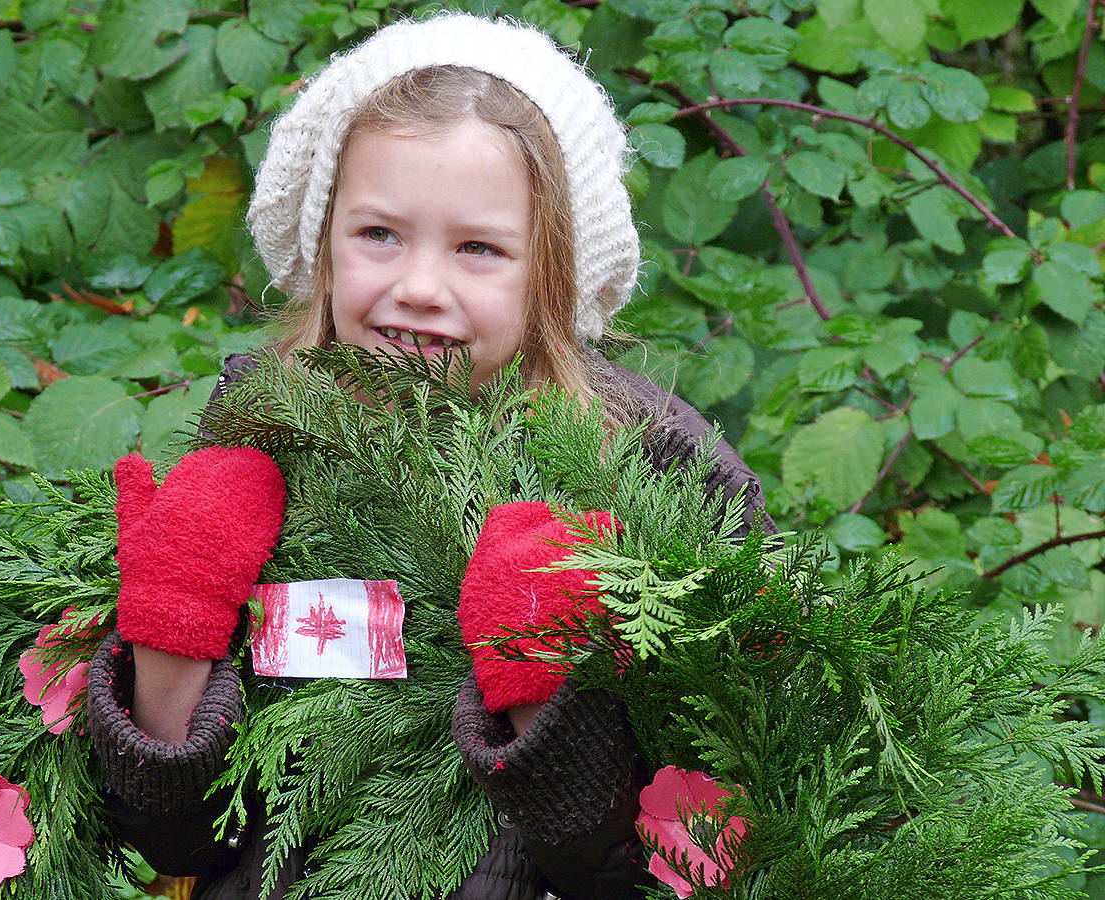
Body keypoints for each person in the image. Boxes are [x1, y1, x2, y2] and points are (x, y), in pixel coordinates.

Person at [86, 13, 777, 900]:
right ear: (323, 241)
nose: (418, 287)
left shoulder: (655, 472)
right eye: (379, 234)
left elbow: (670, 867)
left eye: (478, 249)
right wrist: (171, 630)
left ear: (553, 271)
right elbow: (174, 840)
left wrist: (546, 684)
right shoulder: (260, 437)